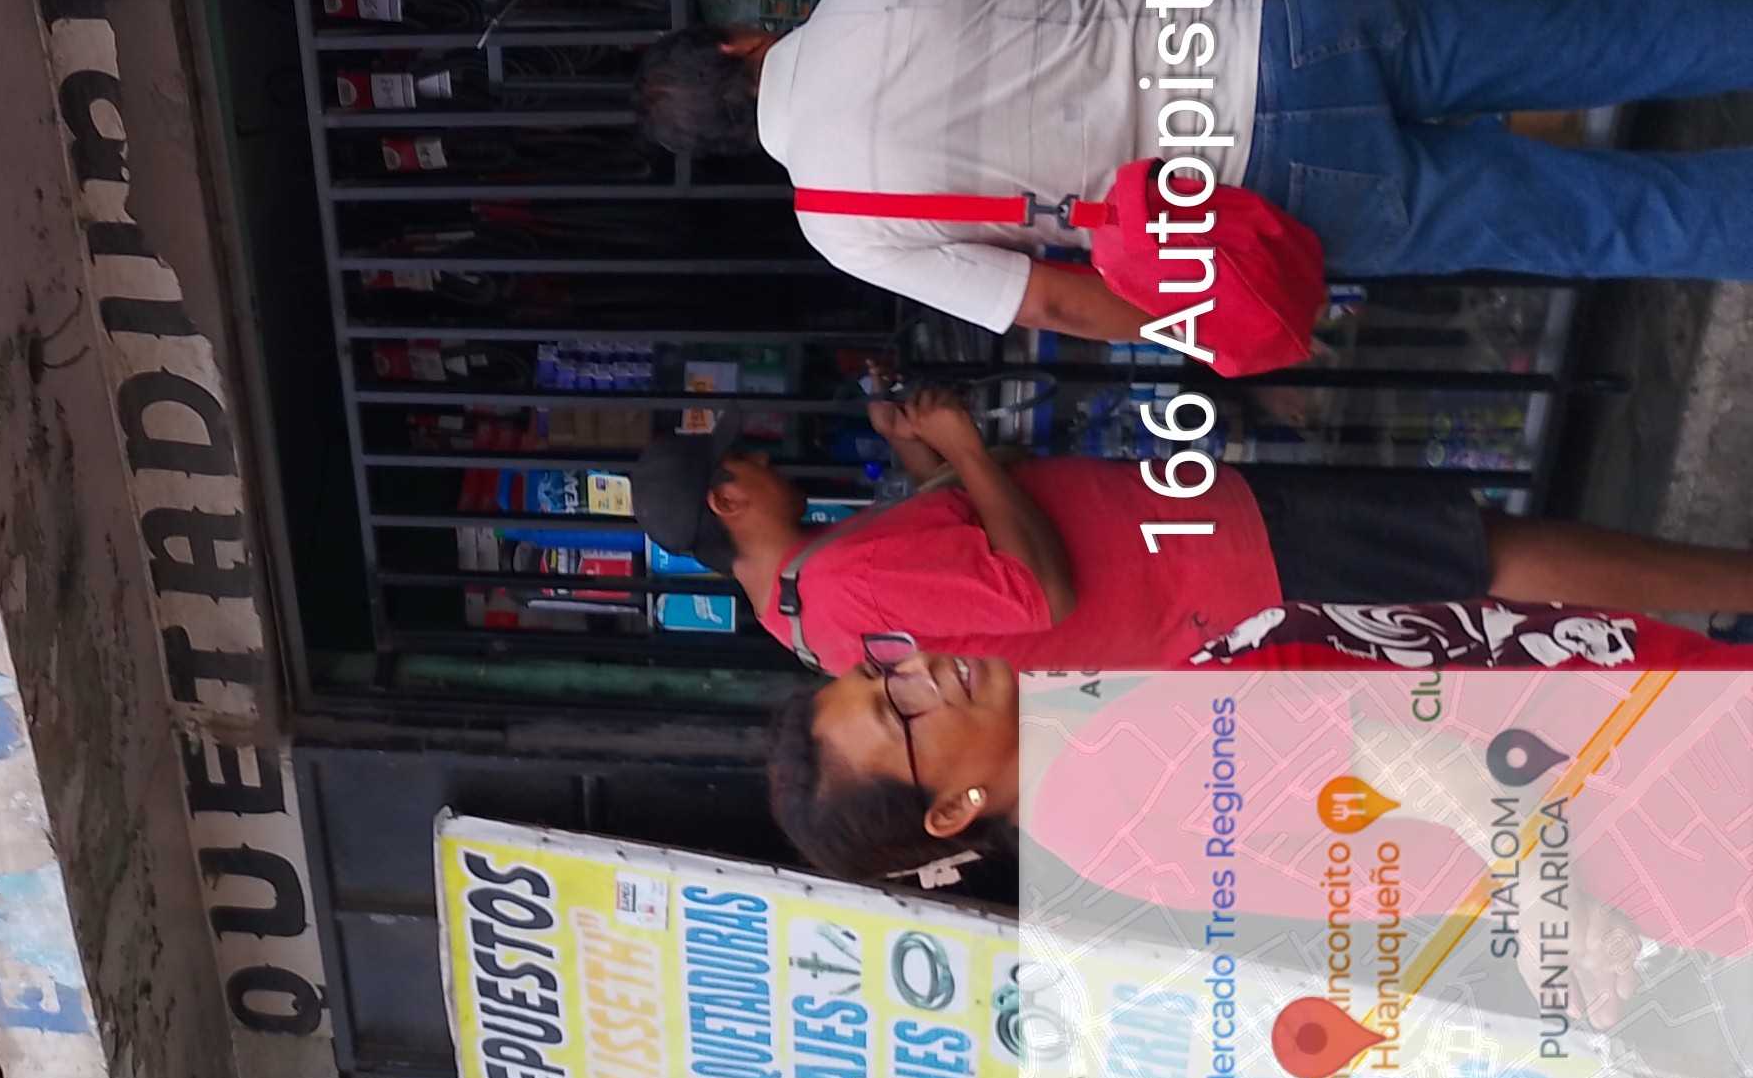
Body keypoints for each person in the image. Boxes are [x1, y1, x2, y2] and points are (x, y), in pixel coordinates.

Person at [636, 0, 1753, 340]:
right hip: (1281, 30)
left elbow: (1054, 301)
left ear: (729, 142)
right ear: (739, 42)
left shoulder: (840, 227)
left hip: (1255, 198)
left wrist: (1198, 307)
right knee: (1607, 35)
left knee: (1605, 223)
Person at [769, 645, 1753, 1025]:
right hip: (1661, 777)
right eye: (901, 710)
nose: (922, 671)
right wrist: (1550, 909)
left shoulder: (1088, 820)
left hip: (1646, 828)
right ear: (950, 811)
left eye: (884, 665)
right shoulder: (1116, 764)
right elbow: (1438, 778)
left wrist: (1550, 920)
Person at [631, 388, 1753, 673]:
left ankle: (1712, 619)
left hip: (1203, 589)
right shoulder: (838, 586)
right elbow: (1034, 591)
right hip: (1213, 564)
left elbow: (973, 575)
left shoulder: (811, 620)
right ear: (728, 502)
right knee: (1483, 554)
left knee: (1479, 586)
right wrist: (963, 446)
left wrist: (927, 463)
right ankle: (1734, 586)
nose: (766, 462)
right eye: (745, 461)